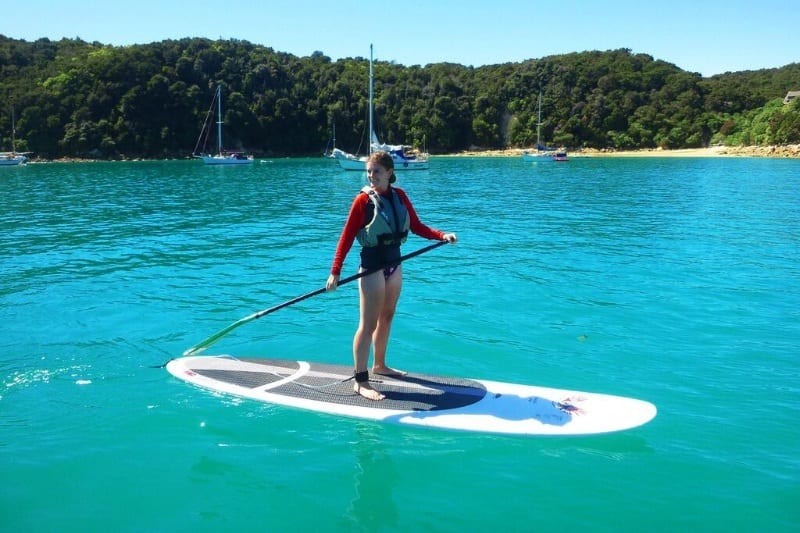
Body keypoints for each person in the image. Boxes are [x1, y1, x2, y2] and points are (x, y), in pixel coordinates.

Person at [326, 151, 457, 401]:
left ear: (389, 172)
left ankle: (380, 365)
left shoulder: (400, 196)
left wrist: (441, 235)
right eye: (368, 171)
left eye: (376, 171)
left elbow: (417, 226)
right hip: (372, 267)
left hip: (395, 264)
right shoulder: (362, 202)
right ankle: (361, 381)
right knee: (369, 324)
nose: (371, 175)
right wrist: (335, 271)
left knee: (387, 317)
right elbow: (345, 237)